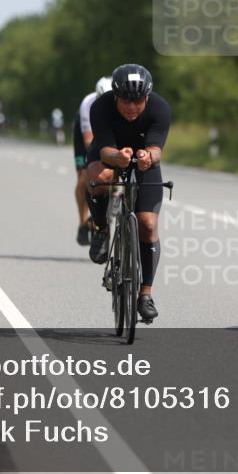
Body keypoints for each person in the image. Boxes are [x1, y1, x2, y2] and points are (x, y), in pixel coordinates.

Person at [86, 64, 171, 323]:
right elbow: (104, 152)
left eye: (138, 101)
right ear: (115, 97)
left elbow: (156, 149)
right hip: (110, 152)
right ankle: (101, 227)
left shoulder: (160, 108)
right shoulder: (100, 107)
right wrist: (118, 158)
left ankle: (145, 294)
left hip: (144, 159)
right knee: (100, 178)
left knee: (147, 223)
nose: (132, 107)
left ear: (147, 97)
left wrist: (148, 156)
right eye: (126, 101)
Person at [72, 76, 113, 245]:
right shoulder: (88, 104)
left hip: (109, 138)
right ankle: (82, 223)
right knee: (84, 179)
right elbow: (89, 141)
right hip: (87, 140)